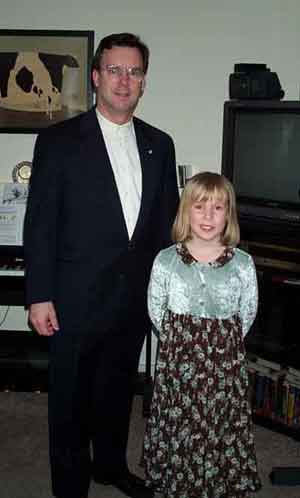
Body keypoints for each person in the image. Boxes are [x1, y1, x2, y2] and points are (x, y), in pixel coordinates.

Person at [24, 32, 179, 498]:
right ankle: (70, 486)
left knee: (116, 394)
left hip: (132, 299)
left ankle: (110, 466)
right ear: (95, 77)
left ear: (144, 82)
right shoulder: (58, 141)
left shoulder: (160, 143)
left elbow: (165, 225)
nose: (123, 80)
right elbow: (40, 225)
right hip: (73, 299)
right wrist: (38, 295)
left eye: (133, 72)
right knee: (70, 403)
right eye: (114, 70)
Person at [143, 172, 262, 498]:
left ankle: (218, 482)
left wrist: (217, 339)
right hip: (179, 365)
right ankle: (177, 480)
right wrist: (185, 340)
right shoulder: (166, 261)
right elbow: (156, 310)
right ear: (186, 212)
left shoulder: (243, 264)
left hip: (224, 366)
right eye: (200, 207)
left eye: (218, 208)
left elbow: (247, 313)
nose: (208, 216)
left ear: (229, 215)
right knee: (181, 425)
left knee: (219, 423)